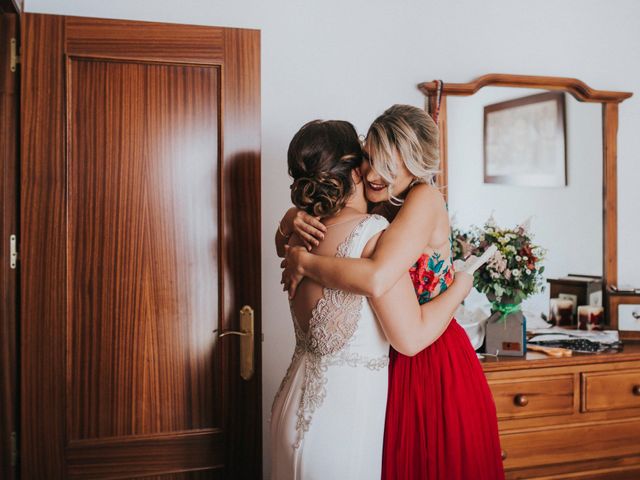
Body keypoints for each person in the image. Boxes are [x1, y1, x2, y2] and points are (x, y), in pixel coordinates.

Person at [280, 105, 505, 480]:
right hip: (390, 354)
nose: (370, 173)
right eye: (368, 158)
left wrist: (462, 286)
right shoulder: (380, 202)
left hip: (430, 353)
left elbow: (377, 276)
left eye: (387, 164)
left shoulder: (424, 198)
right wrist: (290, 219)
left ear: (416, 166)